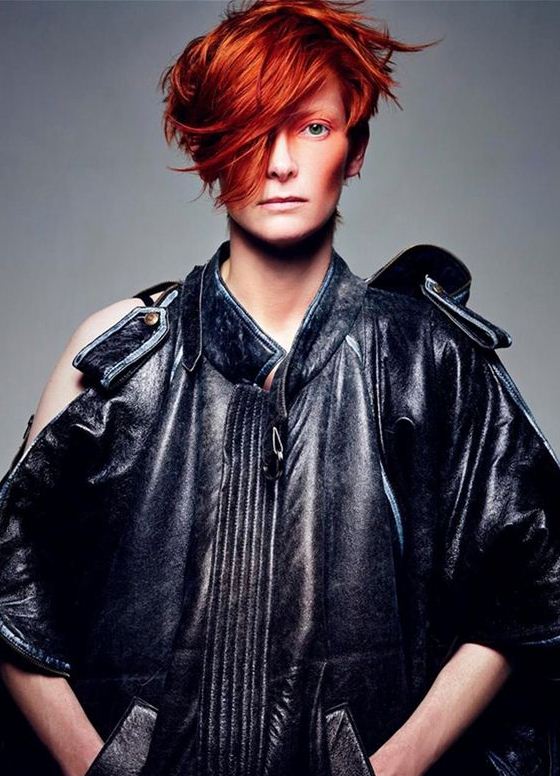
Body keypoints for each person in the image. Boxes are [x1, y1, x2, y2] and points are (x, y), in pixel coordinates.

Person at [0, 1, 559, 775]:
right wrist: (93, 765)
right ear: (210, 148)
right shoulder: (117, 357)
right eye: (250, 129)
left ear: (355, 151)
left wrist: (397, 765)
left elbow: (528, 586)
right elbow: (10, 586)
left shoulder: (429, 360)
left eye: (314, 127)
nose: (281, 162)